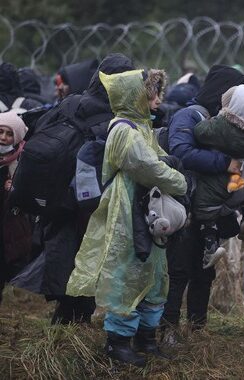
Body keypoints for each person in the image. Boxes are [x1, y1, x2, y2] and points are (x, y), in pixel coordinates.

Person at [66, 69, 187, 367]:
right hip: (127, 209)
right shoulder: (123, 130)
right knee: (128, 273)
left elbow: (158, 159)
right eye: (152, 94)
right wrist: (180, 181)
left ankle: (146, 339)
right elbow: (148, 166)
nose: (158, 100)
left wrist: (168, 167)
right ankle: (118, 343)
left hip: (147, 208)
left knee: (154, 274)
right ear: (136, 96)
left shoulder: (142, 126)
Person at [9, 53, 136, 325]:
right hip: (89, 204)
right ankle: (71, 327)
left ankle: (65, 325)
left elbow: (37, 130)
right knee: (86, 262)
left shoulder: (71, 102)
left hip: (55, 196)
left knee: (63, 259)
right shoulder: (116, 118)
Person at [161, 65, 244, 336]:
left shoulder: (221, 123)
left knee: (203, 273)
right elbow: (181, 152)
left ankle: (196, 332)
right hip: (184, 209)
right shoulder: (189, 115)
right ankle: (167, 331)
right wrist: (227, 163)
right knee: (178, 272)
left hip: (207, 212)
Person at [191, 84, 244, 266]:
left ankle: (210, 245)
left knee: (205, 209)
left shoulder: (222, 125)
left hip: (219, 180)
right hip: (243, 179)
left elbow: (200, 132)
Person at [0, 111, 32, 305]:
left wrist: (15, 190)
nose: (3, 138)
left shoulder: (22, 162)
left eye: (9, 134)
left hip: (7, 231)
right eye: (0, 132)